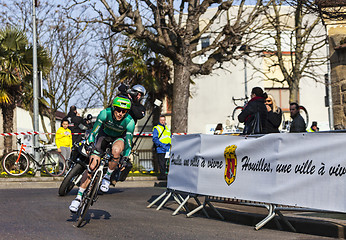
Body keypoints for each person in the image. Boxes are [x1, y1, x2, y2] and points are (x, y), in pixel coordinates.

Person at [69, 96, 135, 213]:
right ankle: (78, 198)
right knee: (92, 167)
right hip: (103, 135)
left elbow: (129, 144)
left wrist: (125, 157)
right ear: (113, 108)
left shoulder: (129, 122)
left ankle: (107, 177)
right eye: (118, 110)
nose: (120, 113)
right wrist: (89, 143)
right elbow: (93, 132)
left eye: (123, 111)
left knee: (116, 151)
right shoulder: (105, 114)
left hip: (118, 138)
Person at [152, 115, 171, 180]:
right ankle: (162, 176)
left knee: (167, 163)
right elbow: (155, 139)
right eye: (161, 120)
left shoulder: (167, 128)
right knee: (162, 163)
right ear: (159, 121)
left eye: (163, 120)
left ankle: (166, 175)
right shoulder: (156, 128)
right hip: (161, 149)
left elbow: (169, 137)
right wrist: (162, 145)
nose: (163, 121)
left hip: (168, 149)